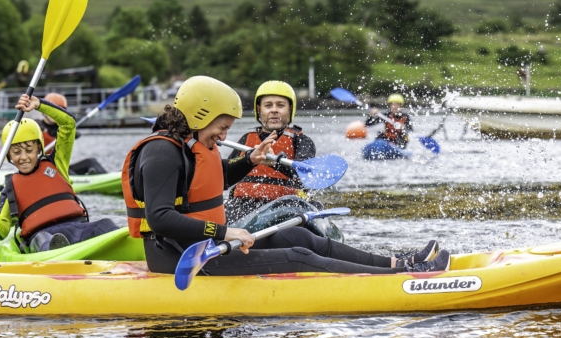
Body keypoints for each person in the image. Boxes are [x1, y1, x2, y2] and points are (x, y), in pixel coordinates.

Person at [122, 76, 449, 276]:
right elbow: (161, 218)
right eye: (222, 126)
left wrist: (250, 159)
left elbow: (215, 182)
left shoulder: (188, 147)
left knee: (303, 238)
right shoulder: (161, 152)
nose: (224, 136)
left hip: (202, 245)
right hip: (181, 257)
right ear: (200, 115)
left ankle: (396, 264)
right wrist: (224, 231)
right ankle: (400, 280)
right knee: (298, 256)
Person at [0, 94, 117, 252]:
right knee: (43, 240)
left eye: (29, 150)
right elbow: (2, 232)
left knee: (106, 224)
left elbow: (68, 124)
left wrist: (40, 105)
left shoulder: (57, 162)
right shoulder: (9, 189)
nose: (23, 157)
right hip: (42, 239)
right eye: (16, 152)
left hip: (78, 229)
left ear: (39, 148)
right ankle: (57, 253)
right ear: (9, 155)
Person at [226, 80, 316, 220]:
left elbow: (306, 175)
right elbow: (226, 174)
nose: (274, 110)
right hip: (243, 206)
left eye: (280, 105)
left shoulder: (301, 141)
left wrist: (276, 163)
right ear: (259, 110)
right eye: (268, 105)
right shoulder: (246, 140)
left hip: (286, 207)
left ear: (290, 110)